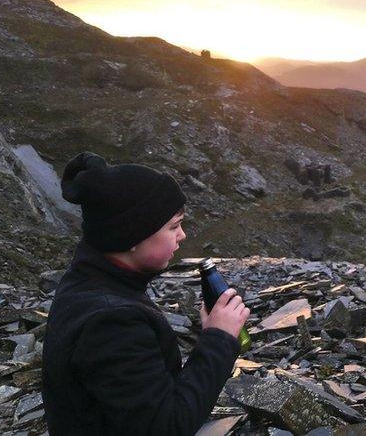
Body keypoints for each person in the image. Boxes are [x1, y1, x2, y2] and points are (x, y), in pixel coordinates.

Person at [42, 152, 250, 435]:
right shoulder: (112, 323)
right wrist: (219, 340)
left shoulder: (91, 282)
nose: (183, 235)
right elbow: (166, 427)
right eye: (174, 226)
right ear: (132, 235)